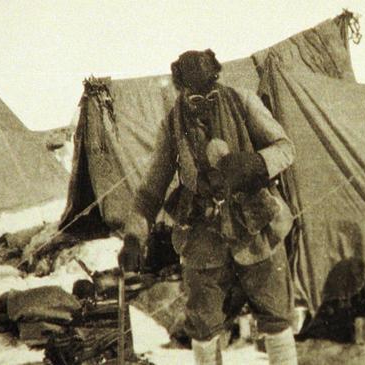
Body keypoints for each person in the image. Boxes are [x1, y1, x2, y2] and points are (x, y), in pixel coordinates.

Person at [118, 49, 298, 365]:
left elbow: (285, 148)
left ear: (217, 78)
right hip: (203, 240)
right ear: (181, 89)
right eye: (195, 98)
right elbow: (150, 192)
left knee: (276, 317)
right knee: (203, 327)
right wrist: (134, 238)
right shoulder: (172, 125)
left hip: (257, 230)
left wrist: (255, 163)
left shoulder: (242, 102)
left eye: (210, 94)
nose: (204, 104)